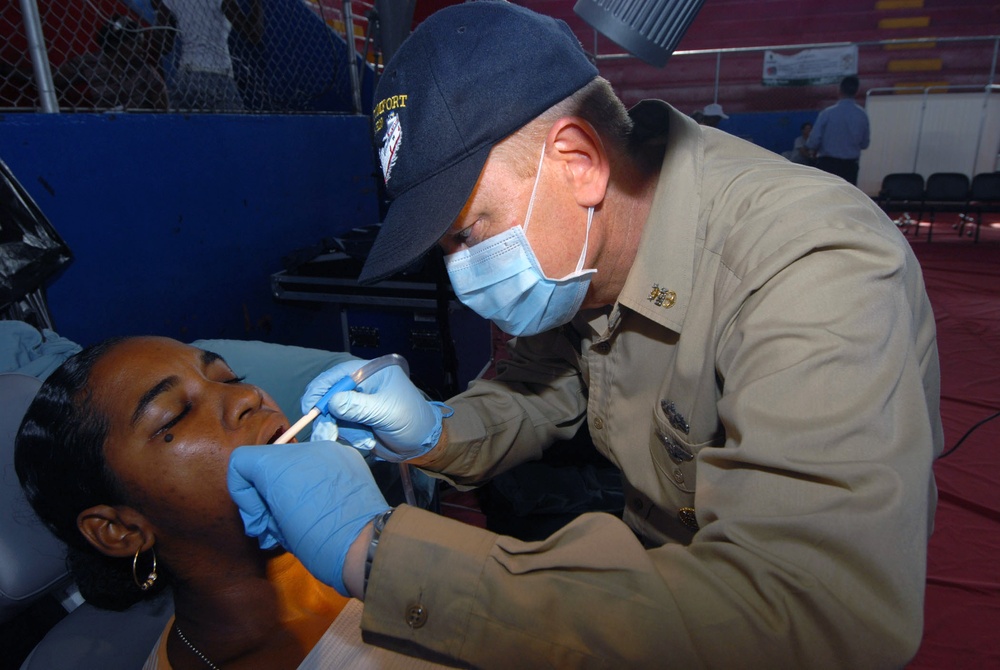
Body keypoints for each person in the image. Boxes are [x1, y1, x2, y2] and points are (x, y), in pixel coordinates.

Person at [226, 3, 943, 668]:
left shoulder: (808, 264)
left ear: (579, 163)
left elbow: (813, 614)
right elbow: (545, 391)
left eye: (467, 234)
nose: (461, 273)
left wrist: (377, 556)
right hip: (663, 569)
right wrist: (431, 430)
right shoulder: (585, 254)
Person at [14, 336, 442, 669]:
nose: (248, 397)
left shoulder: (392, 543)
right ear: (120, 530)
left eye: (229, 379)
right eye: (174, 415)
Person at [1, 15, 168, 111]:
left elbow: (162, 105)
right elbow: (55, 79)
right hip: (105, 122)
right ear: (117, 43)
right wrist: (10, 71)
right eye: (134, 44)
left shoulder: (144, 70)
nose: (139, 50)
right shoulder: (90, 63)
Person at [151, 0, 251, 111]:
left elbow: (163, 46)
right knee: (233, 124)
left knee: (182, 125)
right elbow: (252, 34)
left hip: (186, 75)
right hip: (219, 73)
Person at [806, 75, 871, 185]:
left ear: (839, 90)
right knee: (846, 198)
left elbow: (813, 141)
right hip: (850, 167)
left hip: (827, 165)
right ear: (856, 91)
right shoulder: (862, 115)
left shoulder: (827, 113)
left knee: (826, 197)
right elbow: (865, 144)